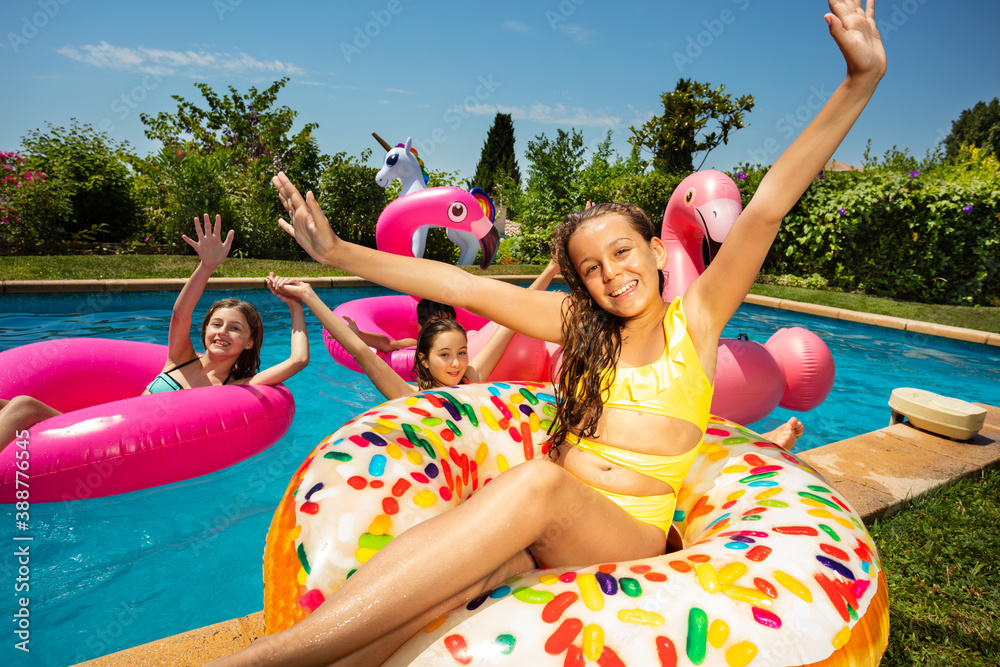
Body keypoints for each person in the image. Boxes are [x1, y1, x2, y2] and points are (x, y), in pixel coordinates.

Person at [217, 3, 884, 664]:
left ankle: (261, 660)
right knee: (460, 578)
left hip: (626, 536)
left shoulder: (698, 319)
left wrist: (859, 81)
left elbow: (767, 206)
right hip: (552, 529)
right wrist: (342, 255)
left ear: (656, 252)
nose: (611, 275)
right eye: (592, 267)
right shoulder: (579, 326)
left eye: (623, 253)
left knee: (538, 483)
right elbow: (463, 288)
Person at [0, 215, 310, 450]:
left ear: (250, 342)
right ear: (205, 331)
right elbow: (180, 313)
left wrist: (295, 305)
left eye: (235, 328)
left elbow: (297, 361)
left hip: (121, 447)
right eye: (216, 324)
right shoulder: (179, 359)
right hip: (94, 427)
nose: (222, 332)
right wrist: (206, 266)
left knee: (24, 405)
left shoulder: (238, 386)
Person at [268, 261, 560, 400]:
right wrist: (307, 296)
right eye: (444, 354)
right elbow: (358, 350)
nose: (457, 363)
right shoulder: (406, 394)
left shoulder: (473, 376)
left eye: (461, 352)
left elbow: (513, 319)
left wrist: (552, 267)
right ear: (422, 359)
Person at [342, 298, 458, 354]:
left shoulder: (462, 341)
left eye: (449, 320)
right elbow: (388, 344)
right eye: (438, 322)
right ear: (421, 327)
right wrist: (358, 334)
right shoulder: (416, 344)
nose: (445, 326)